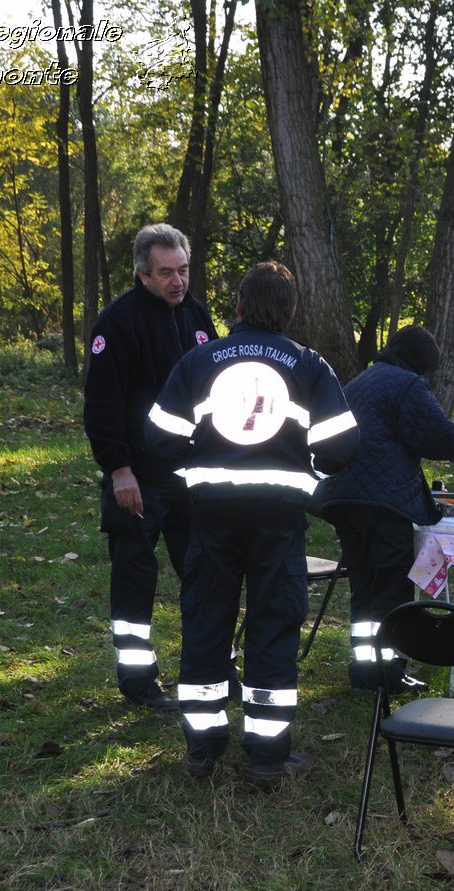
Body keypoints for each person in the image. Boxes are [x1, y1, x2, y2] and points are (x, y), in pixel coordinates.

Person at [144, 262, 359, 788]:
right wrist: (307, 467)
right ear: (290, 311)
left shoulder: (200, 360)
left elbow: (160, 438)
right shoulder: (309, 365)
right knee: (273, 632)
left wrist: (196, 474)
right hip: (278, 523)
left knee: (205, 625)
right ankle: (267, 760)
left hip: (212, 519)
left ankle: (202, 750)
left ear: (237, 308)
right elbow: (342, 448)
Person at [83, 223, 217, 711]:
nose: (177, 281)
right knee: (135, 583)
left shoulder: (198, 316)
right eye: (166, 273)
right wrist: (119, 469)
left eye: (183, 270)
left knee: (205, 576)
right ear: (143, 274)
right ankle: (139, 682)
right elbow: (102, 405)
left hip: (193, 477)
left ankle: (209, 669)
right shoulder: (117, 323)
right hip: (138, 478)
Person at [316, 325, 454, 690]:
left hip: (343, 497)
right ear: (421, 364)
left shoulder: (359, 382)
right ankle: (388, 673)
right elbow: (437, 436)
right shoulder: (407, 385)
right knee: (391, 590)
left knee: (364, 586)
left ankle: (363, 671)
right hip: (384, 505)